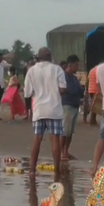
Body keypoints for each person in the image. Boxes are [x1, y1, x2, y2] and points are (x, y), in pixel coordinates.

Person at [22, 48, 67, 176]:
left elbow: (27, 93)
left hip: (39, 109)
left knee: (37, 139)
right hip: (54, 109)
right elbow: (63, 89)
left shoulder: (31, 70)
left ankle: (32, 169)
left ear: (38, 57)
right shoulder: (57, 69)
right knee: (55, 140)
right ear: (50, 56)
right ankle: (57, 170)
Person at [61, 55, 84, 161]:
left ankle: (66, 151)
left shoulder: (74, 78)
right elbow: (69, 90)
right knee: (65, 131)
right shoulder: (64, 76)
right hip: (67, 105)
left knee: (70, 132)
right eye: (76, 65)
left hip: (74, 105)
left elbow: (79, 91)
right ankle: (62, 152)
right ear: (70, 65)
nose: (77, 67)